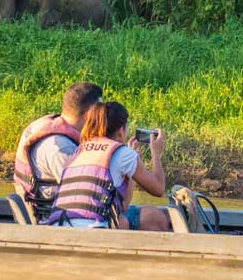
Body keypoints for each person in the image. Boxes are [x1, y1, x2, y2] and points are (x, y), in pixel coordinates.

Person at [42, 100, 172, 231]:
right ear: (121, 130)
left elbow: (123, 205)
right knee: (153, 218)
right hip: (94, 230)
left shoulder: (78, 150)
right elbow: (159, 189)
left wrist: (131, 169)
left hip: (58, 227)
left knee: (122, 220)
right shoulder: (123, 154)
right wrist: (156, 154)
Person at [14, 81, 102, 221]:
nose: (102, 118)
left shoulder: (45, 126)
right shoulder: (61, 148)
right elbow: (86, 195)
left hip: (53, 212)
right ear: (90, 114)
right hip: (57, 220)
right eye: (100, 112)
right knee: (147, 217)